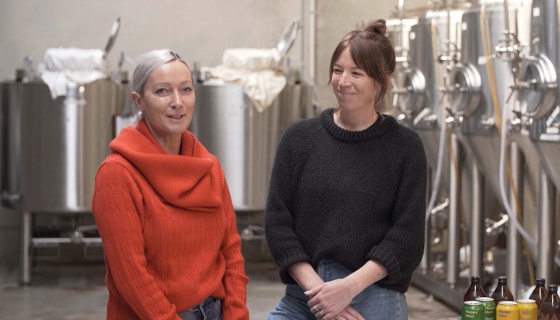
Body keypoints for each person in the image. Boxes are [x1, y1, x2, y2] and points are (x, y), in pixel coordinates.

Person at [264, 19, 427, 320]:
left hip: (371, 295)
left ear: (381, 81)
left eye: (356, 73)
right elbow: (277, 221)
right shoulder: (299, 138)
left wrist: (347, 289)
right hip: (304, 296)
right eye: (338, 70)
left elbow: (407, 236)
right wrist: (322, 293)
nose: (343, 81)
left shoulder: (405, 147)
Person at [92, 49, 249, 320]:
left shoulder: (209, 167)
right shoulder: (117, 174)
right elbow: (131, 276)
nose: (178, 102)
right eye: (163, 91)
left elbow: (231, 253)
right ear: (138, 101)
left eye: (186, 89)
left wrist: (236, 313)